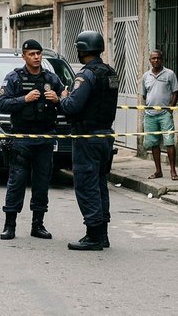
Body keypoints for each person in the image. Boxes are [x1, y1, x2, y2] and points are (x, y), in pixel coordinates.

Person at [0, 39, 62, 241]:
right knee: (16, 181)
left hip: (44, 138)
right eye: (32, 54)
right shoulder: (15, 78)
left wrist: (57, 99)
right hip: (22, 138)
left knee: (42, 182)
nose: (36, 57)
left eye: (38, 53)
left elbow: (67, 101)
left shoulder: (51, 78)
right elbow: (2, 104)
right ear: (24, 56)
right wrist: (24, 99)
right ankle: (10, 225)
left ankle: (38, 224)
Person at [60, 30, 119, 251]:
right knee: (100, 184)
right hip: (105, 136)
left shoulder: (86, 75)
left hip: (87, 137)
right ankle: (102, 234)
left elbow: (72, 106)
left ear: (82, 49)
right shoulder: (110, 73)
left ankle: (93, 235)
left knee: (86, 185)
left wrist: (62, 98)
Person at [141, 49, 178, 180]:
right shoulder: (146, 76)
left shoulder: (170, 74)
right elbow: (144, 95)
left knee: (169, 142)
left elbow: (175, 92)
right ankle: (158, 171)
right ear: (150, 60)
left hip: (165, 114)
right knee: (154, 143)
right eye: (153, 58)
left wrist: (171, 108)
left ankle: (173, 171)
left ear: (162, 59)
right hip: (150, 114)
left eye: (158, 58)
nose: (156, 60)